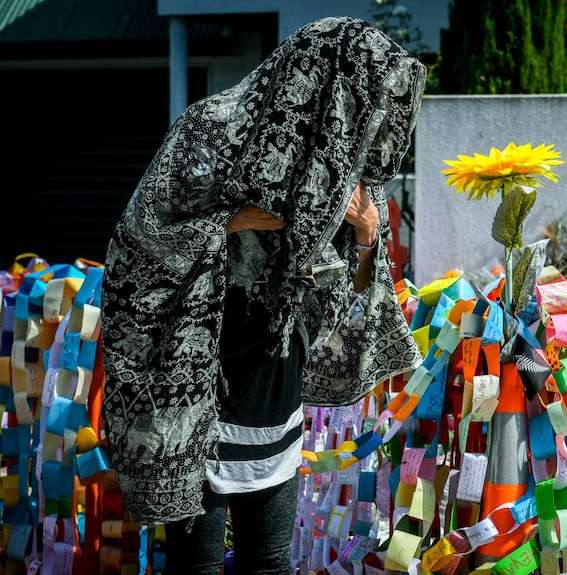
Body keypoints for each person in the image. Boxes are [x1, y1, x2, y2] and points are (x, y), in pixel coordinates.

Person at [100, 16, 426, 574]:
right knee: (195, 568)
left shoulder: (338, 167)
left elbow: (350, 302)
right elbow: (136, 243)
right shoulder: (209, 132)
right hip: (198, 406)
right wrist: (232, 222)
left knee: (270, 565)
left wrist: (369, 236)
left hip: (276, 405)